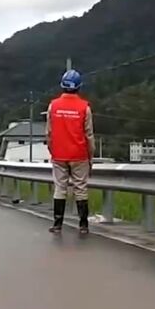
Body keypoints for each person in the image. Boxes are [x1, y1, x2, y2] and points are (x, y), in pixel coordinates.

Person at [45, 69, 95, 235]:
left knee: (60, 188)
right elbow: (89, 135)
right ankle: (83, 225)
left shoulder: (53, 106)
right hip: (79, 154)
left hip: (59, 154)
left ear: (62, 86)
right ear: (79, 87)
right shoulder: (84, 108)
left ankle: (58, 224)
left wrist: (52, 150)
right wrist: (90, 156)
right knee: (80, 188)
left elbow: (49, 133)